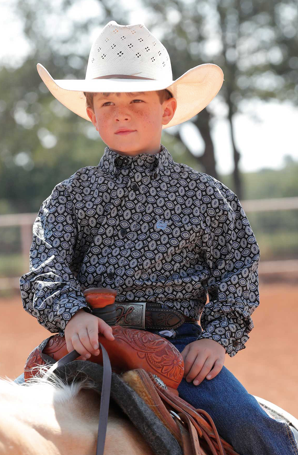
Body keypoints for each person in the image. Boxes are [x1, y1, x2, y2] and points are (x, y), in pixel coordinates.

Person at [20, 21, 298, 455]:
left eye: (136, 100)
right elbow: (46, 266)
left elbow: (238, 270)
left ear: (166, 110)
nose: (121, 112)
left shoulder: (205, 196)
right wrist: (72, 314)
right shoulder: (71, 197)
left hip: (177, 349)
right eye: (107, 102)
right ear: (91, 114)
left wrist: (216, 338)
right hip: (88, 337)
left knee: (251, 428)